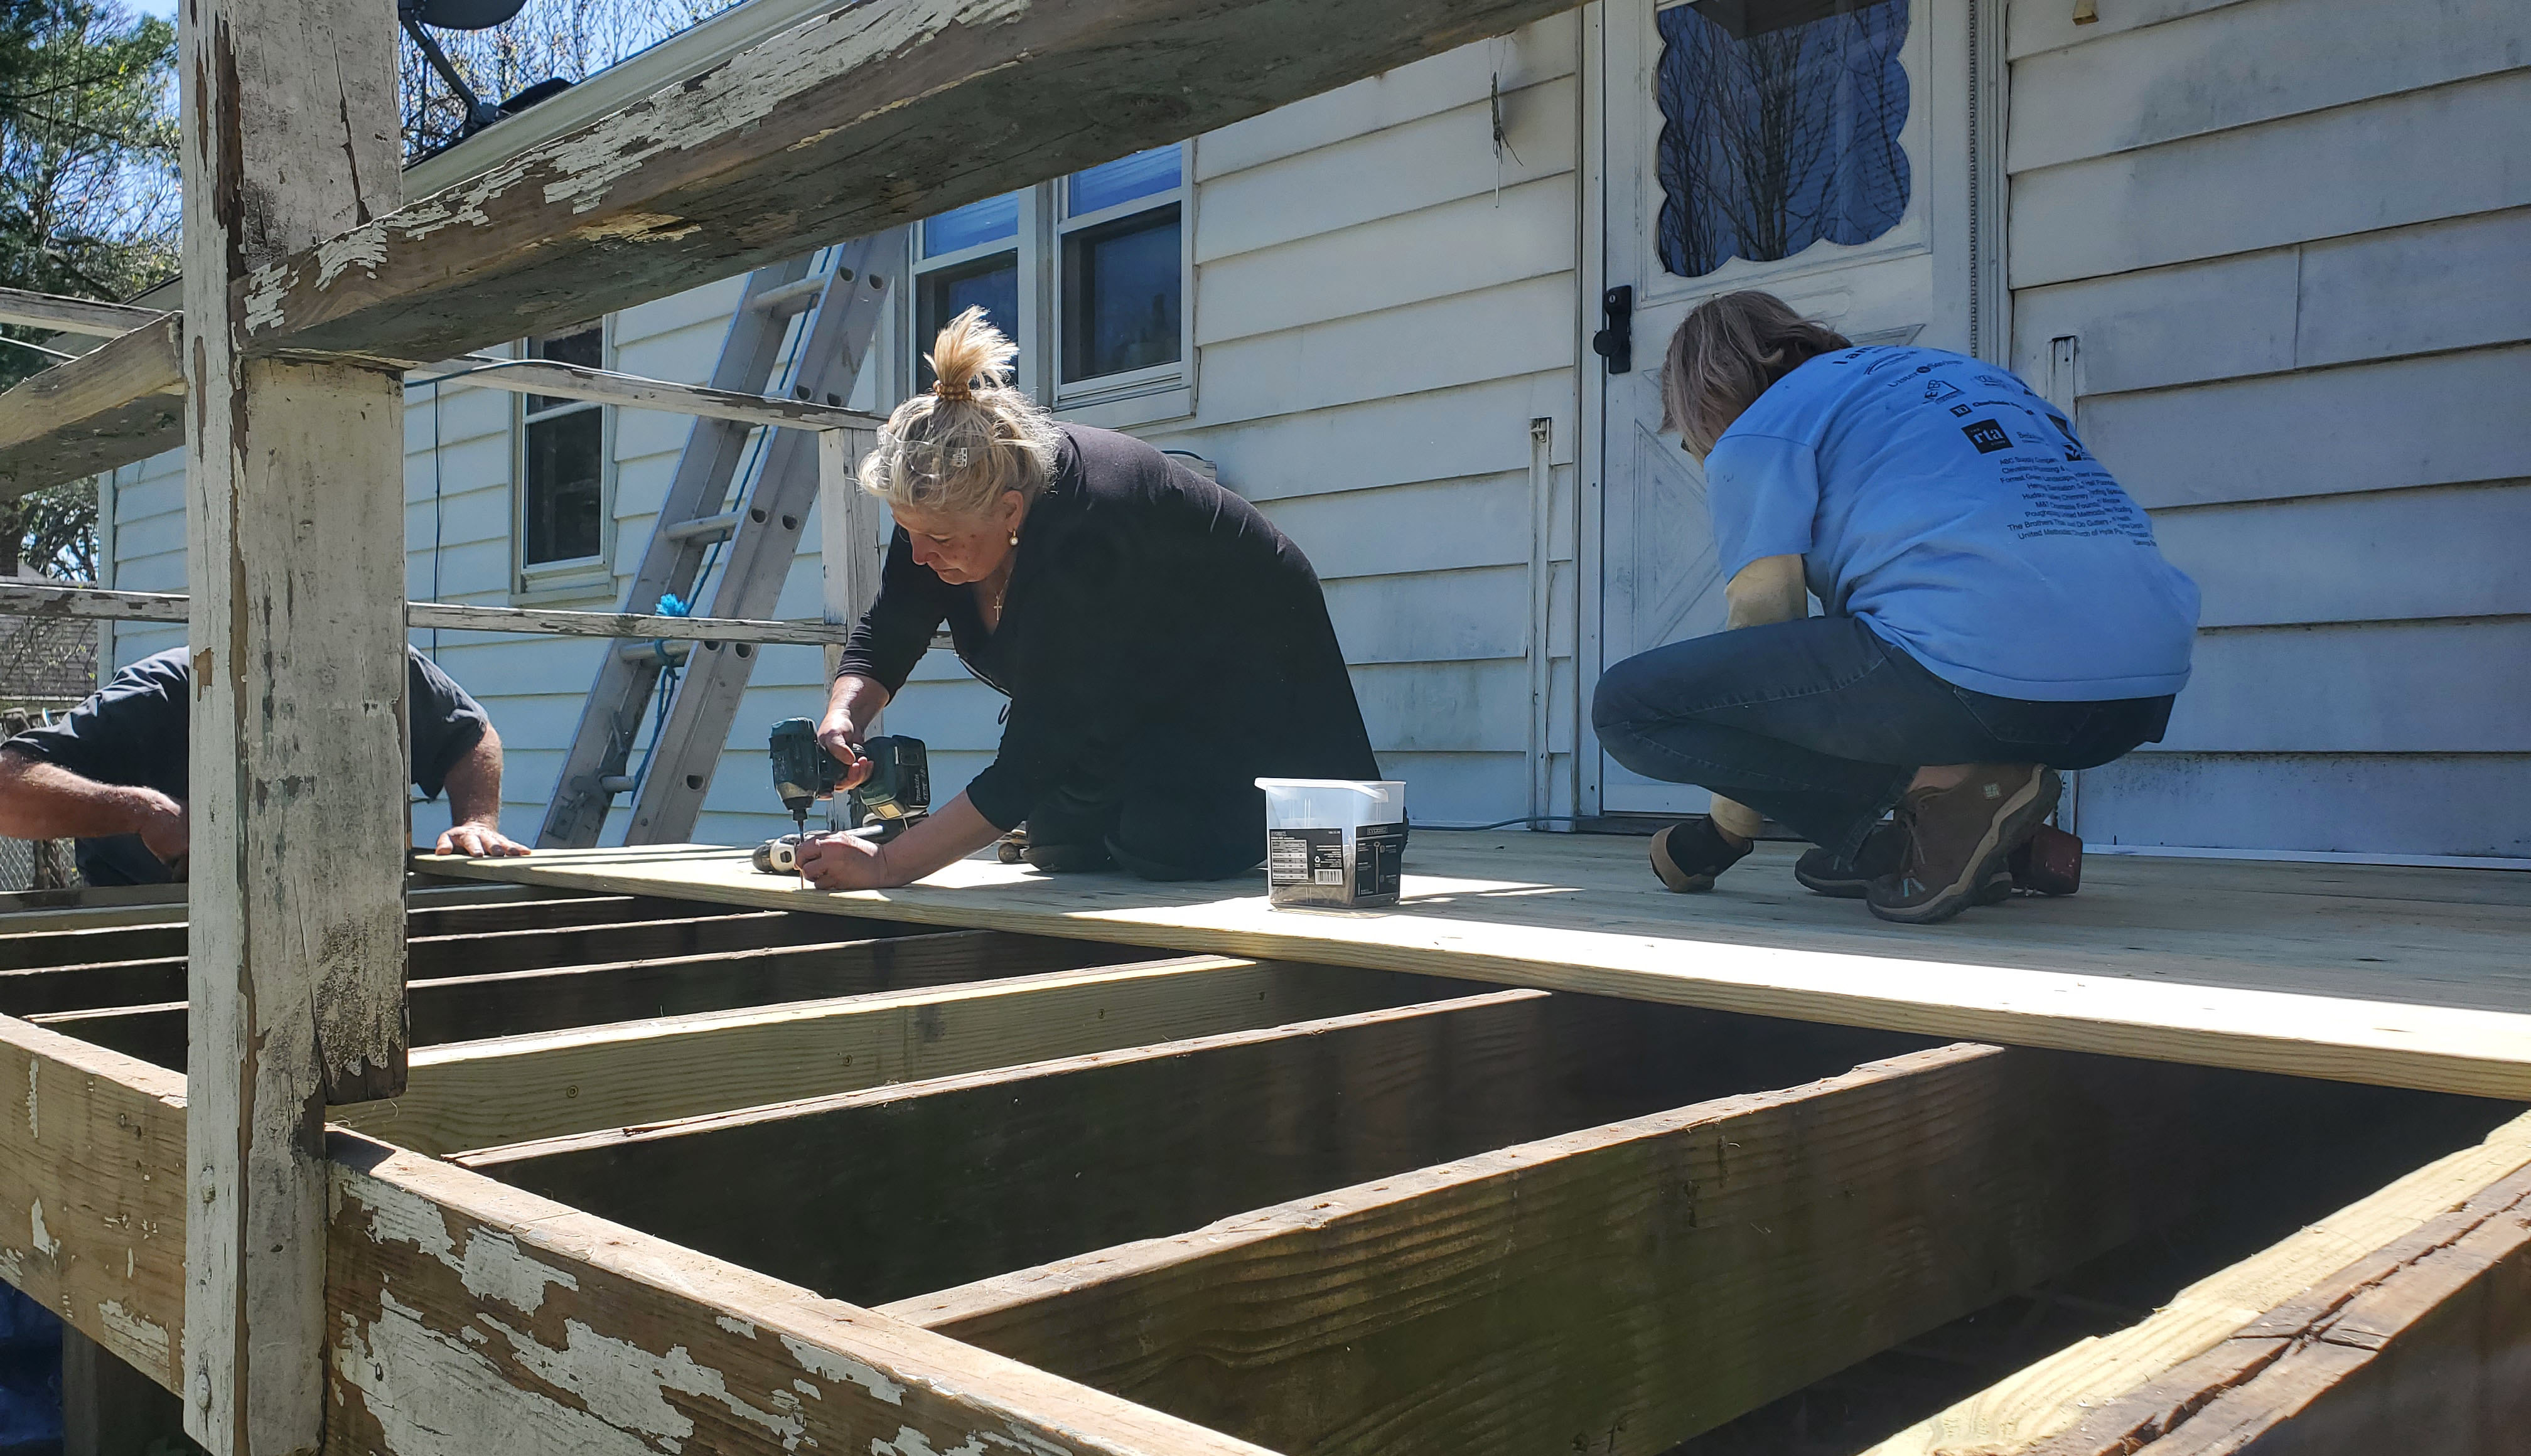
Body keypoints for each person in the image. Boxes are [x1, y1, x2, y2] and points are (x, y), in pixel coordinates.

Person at [1591, 292, 2200, 924]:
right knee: (1880, 641)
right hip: (2136, 699)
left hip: (1979, 677)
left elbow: (1765, 614)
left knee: (1629, 709)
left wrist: (1724, 832)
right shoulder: (1965, 380)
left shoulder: (1762, 425)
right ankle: (1940, 841)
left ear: (1702, 399)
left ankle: (1946, 801)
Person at [795, 308, 1378, 891]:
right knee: (1063, 844)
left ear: (1011, 513)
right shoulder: (938, 505)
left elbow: (1034, 756)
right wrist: (847, 713)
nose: (919, 556)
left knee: (1166, 844)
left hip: (1247, 677)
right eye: (908, 532)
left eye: (939, 540)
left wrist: (890, 864)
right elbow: (893, 625)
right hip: (1136, 682)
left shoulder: (1089, 530)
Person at [0, 645, 529, 883]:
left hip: (316, 912)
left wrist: (476, 823)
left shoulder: (366, 662)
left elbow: (470, 735)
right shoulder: (161, 693)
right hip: (147, 916)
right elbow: (7, 790)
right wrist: (143, 811)